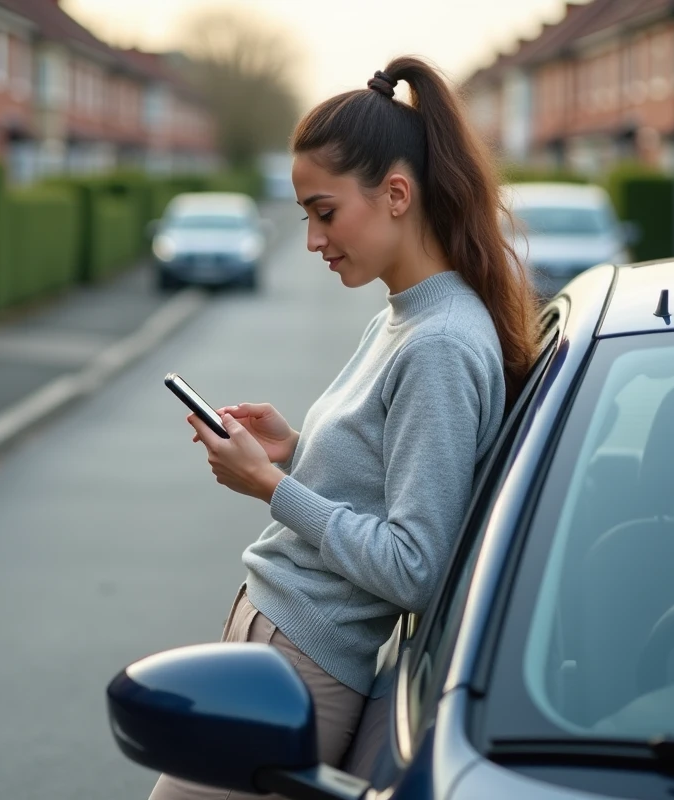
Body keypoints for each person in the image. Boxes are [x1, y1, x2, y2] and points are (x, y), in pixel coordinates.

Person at [148, 56, 539, 800]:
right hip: (279, 650)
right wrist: (296, 454)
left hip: (304, 665)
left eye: (325, 213)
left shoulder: (440, 344)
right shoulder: (406, 316)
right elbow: (387, 483)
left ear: (396, 194)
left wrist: (269, 487)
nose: (313, 240)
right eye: (306, 217)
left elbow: (412, 564)